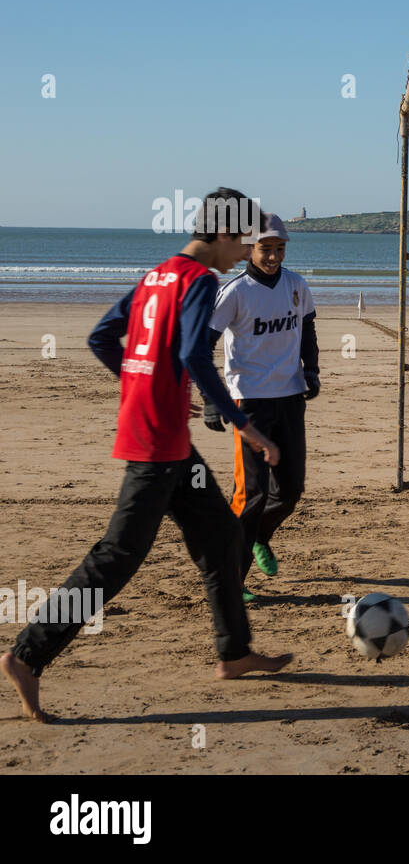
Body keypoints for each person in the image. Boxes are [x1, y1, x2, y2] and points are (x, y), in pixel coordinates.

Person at [1, 188, 293, 723]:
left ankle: (234, 653)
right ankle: (27, 655)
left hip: (170, 445)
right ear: (224, 233)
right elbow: (192, 355)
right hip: (157, 447)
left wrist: (142, 384)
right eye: (242, 240)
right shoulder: (201, 281)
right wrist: (245, 425)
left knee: (222, 535)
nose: (244, 251)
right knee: (116, 558)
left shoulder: (159, 274)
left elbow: (102, 337)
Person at [205, 213, 319, 600]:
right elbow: (203, 346)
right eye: (266, 249)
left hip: (289, 396)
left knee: (290, 490)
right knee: (250, 494)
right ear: (250, 250)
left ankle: (259, 537)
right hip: (248, 401)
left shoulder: (297, 285)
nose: (273, 257)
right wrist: (210, 400)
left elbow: (308, 331)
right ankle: (233, 582)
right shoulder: (234, 292)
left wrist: (312, 371)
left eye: (279, 249)